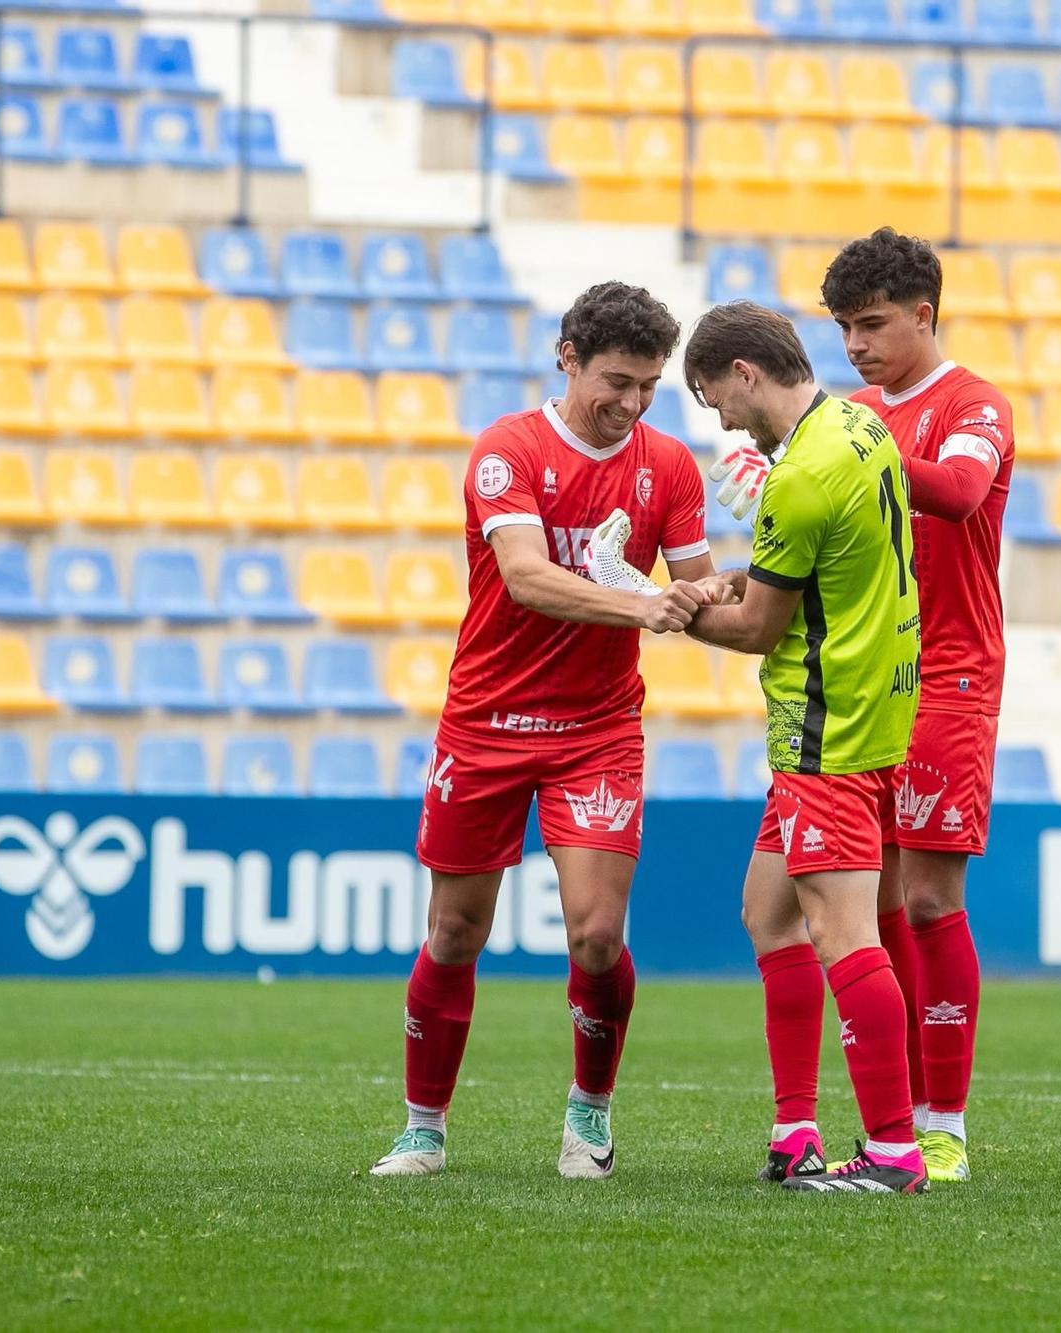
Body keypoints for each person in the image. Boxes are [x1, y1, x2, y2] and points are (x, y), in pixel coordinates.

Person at [369, 282, 714, 1180]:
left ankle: (589, 1114)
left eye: (648, 385)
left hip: (597, 730)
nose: (632, 403)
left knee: (597, 935)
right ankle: (423, 1127)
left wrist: (739, 579)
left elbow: (703, 585)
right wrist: (639, 601)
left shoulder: (669, 465)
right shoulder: (506, 451)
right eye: (617, 381)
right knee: (454, 931)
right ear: (568, 356)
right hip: (485, 722)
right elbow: (524, 576)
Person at [709, 229, 1012, 1184]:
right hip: (856, 670)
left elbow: (962, 494)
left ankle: (938, 1125)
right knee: (852, 907)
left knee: (927, 898)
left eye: (873, 323)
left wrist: (839, 461)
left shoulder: (970, 406)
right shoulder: (849, 421)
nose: (857, 345)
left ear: (925, 314)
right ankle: (849, 1124)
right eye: (843, 326)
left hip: (948, 670)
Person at [681, 300, 926, 1195]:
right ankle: (796, 1128)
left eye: (717, 400)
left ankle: (895, 1151)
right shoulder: (862, 425)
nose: (721, 420)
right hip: (868, 706)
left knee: (840, 930)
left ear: (744, 371)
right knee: (769, 912)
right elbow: (829, 571)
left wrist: (674, 609)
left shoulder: (799, 480)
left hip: (830, 724)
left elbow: (755, 629)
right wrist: (741, 576)